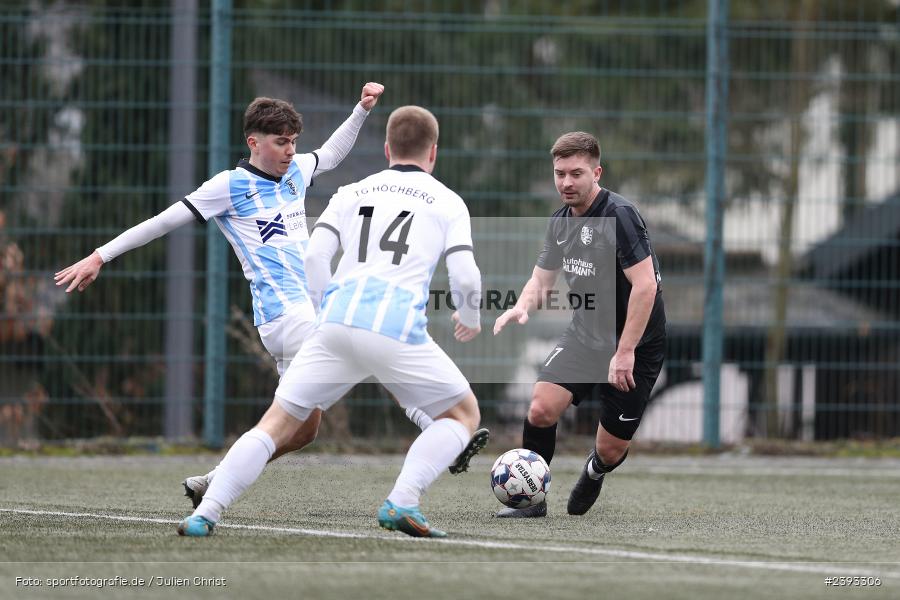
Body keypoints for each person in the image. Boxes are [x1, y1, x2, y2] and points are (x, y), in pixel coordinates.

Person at [54, 84, 488, 507]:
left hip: (300, 318)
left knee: (301, 431)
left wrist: (361, 110)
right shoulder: (228, 186)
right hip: (287, 315)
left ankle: (216, 479)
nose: (291, 151)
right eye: (282, 143)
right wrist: (100, 256)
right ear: (254, 142)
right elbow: (162, 222)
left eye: (294, 142)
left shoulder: (296, 172)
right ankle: (438, 422)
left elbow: (332, 154)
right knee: (375, 339)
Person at [177, 105, 483, 538]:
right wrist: (469, 316)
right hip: (393, 326)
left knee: (276, 424)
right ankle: (403, 501)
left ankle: (204, 514)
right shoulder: (448, 201)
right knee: (462, 414)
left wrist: (325, 312)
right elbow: (466, 276)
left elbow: (315, 258)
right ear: (433, 152)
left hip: (335, 323)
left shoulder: (352, 191)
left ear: (386, 148)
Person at [493, 131, 666, 518]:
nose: (566, 183)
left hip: (635, 345)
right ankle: (531, 501)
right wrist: (521, 307)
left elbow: (645, 286)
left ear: (596, 172)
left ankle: (595, 470)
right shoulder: (560, 222)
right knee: (539, 409)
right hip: (586, 336)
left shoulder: (619, 216)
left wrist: (624, 352)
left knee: (610, 450)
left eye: (576, 173)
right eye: (559, 174)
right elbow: (542, 281)